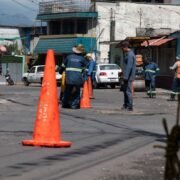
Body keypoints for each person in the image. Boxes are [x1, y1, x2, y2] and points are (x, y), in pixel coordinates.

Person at [59, 44, 86, 109]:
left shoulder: (68, 57)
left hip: (69, 78)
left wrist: (60, 71)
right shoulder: (82, 59)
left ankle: (65, 104)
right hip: (78, 79)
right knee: (77, 92)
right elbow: (86, 67)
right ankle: (74, 105)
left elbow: (62, 66)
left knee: (67, 91)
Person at [120, 40, 136, 111]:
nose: (122, 49)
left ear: (125, 47)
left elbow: (129, 66)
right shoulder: (127, 54)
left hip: (128, 76)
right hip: (126, 75)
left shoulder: (130, 55)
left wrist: (125, 76)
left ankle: (130, 106)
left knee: (128, 91)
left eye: (122, 48)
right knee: (125, 90)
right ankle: (126, 104)